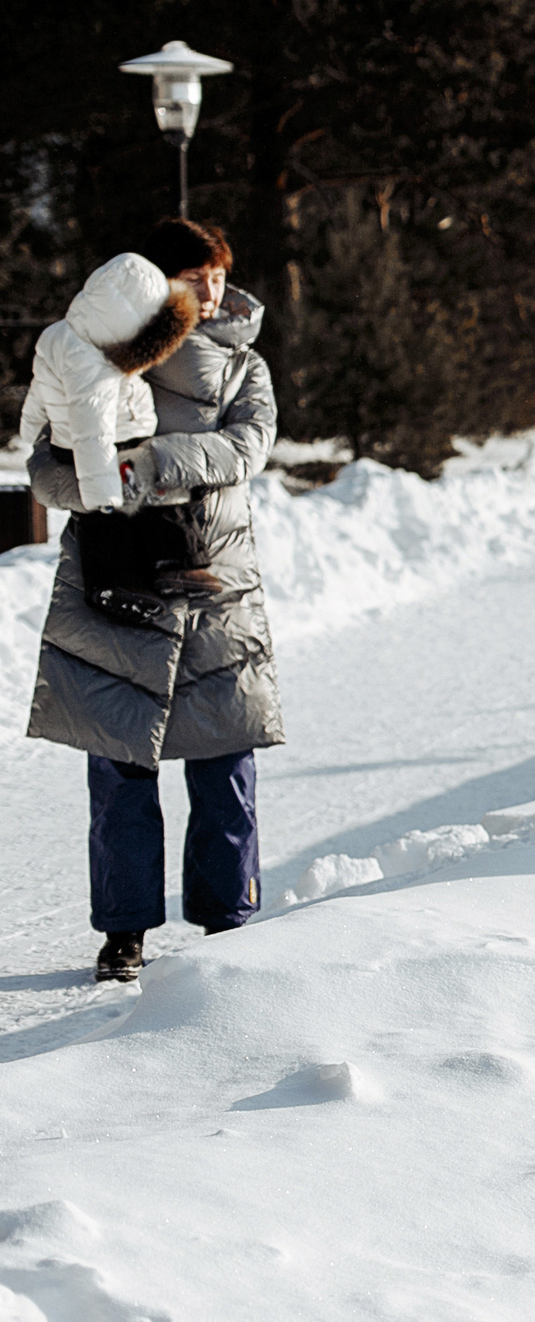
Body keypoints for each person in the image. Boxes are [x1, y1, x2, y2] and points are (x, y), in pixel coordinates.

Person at [23, 218, 285, 983]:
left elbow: (250, 446)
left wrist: (145, 465)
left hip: (213, 584)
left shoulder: (243, 364)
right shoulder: (96, 350)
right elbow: (44, 466)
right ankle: (124, 931)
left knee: (224, 767)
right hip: (112, 583)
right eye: (194, 276)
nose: (210, 291)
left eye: (217, 275)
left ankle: (228, 921)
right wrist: (98, 488)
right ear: (155, 282)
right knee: (118, 773)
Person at [17, 251, 202, 625]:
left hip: (98, 440)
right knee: (110, 519)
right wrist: (102, 498)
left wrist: (31, 425)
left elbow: (39, 390)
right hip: (99, 449)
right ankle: (113, 583)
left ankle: (169, 563)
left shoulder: (60, 335)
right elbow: (92, 433)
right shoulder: (93, 366)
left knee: (146, 496)